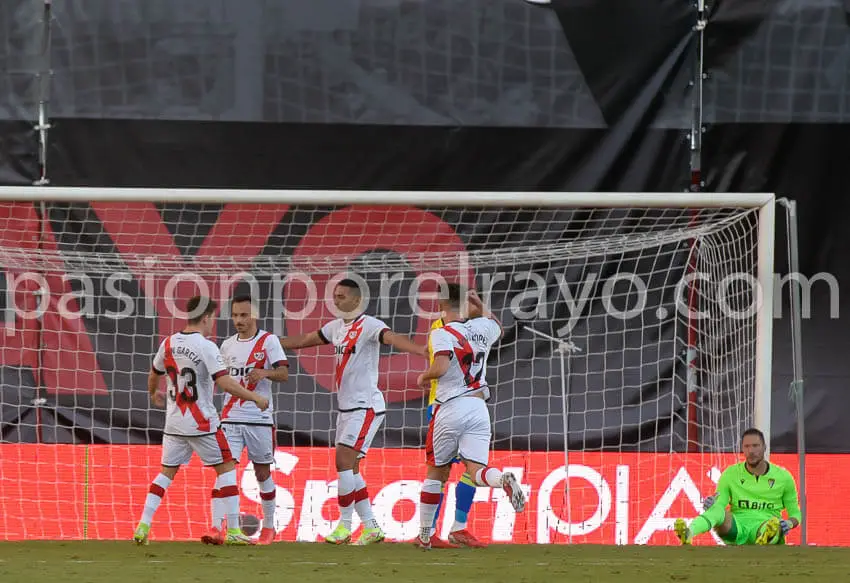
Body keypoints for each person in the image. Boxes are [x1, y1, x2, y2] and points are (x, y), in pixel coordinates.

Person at [280, 278, 426, 545]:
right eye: (335, 296)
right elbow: (305, 339)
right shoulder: (335, 327)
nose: (337, 300)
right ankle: (371, 527)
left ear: (357, 300)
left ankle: (344, 526)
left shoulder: (369, 325)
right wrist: (271, 342)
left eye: (342, 296)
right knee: (351, 469)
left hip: (366, 406)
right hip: (346, 408)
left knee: (343, 463)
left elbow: (391, 338)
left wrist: (419, 349)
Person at [133, 296, 269, 546]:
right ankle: (234, 531)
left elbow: (154, 373)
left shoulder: (168, 343)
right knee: (227, 467)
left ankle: (143, 524)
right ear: (206, 317)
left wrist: (154, 393)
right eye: (213, 318)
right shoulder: (206, 347)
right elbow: (224, 382)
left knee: (166, 474)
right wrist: (254, 397)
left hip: (174, 424)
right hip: (202, 423)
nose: (213, 323)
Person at [414, 284, 525, 549]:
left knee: (436, 473)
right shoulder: (482, 329)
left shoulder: (441, 332)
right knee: (476, 471)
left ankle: (425, 535)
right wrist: (480, 304)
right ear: (467, 302)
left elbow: (440, 366)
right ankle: (501, 480)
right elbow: (495, 324)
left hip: (450, 407)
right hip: (478, 407)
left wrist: (424, 376)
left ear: (441, 304)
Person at [205, 294, 289, 545]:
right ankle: (216, 528)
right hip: (230, 418)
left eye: (244, 315)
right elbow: (219, 379)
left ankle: (269, 527)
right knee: (224, 472)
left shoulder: (268, 341)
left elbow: (283, 373)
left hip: (259, 419)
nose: (239, 320)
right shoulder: (226, 345)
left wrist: (264, 372)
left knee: (262, 474)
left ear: (254, 315)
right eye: (235, 315)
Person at [425, 294, 488, 548]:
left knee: (474, 468)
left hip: (469, 405)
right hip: (443, 406)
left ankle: (459, 527)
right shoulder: (443, 328)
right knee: (442, 471)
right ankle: (428, 531)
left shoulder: (473, 329)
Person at [674, 427, 801, 545]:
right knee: (717, 510)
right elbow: (721, 502)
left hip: (764, 523)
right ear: (742, 449)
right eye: (747, 446)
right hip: (737, 528)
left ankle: (767, 536)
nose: (751, 451)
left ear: (764, 447)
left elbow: (795, 513)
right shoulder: (730, 474)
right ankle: (689, 533)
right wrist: (713, 504)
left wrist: (788, 524)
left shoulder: (784, 477)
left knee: (772, 526)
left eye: (755, 446)